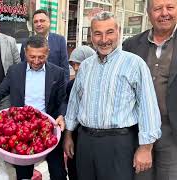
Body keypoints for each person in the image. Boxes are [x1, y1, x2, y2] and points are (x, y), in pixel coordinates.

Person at [64, 11, 162, 180]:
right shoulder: (85, 66)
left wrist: (146, 148)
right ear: (91, 36)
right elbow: (74, 102)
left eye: (109, 32)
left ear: (118, 31)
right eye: (98, 33)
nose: (104, 39)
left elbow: (148, 107)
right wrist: (68, 135)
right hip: (85, 142)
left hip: (119, 144)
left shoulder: (134, 64)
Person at [0, 35, 67, 180]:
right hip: (22, 130)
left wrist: (61, 115)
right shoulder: (15, 71)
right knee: (24, 175)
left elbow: (63, 100)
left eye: (41, 57)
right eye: (32, 56)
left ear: (48, 53)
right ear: (25, 53)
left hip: (48, 129)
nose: (36, 61)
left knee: (58, 173)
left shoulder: (57, 73)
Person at [122, 0, 177, 179]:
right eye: (157, 8)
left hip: (173, 132)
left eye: (170, 7)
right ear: (148, 13)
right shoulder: (131, 45)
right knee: (141, 176)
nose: (164, 13)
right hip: (139, 130)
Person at [64, 45, 95, 180]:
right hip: (76, 134)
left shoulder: (99, 84)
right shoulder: (71, 85)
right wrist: (68, 136)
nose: (76, 68)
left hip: (94, 137)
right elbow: (69, 109)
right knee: (73, 169)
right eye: (73, 64)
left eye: (79, 64)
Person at [20, 9, 69, 81]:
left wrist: (64, 88)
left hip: (54, 85)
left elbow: (65, 67)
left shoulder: (60, 40)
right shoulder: (26, 43)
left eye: (42, 21)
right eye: (36, 22)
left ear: (49, 22)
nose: (39, 24)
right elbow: (23, 67)